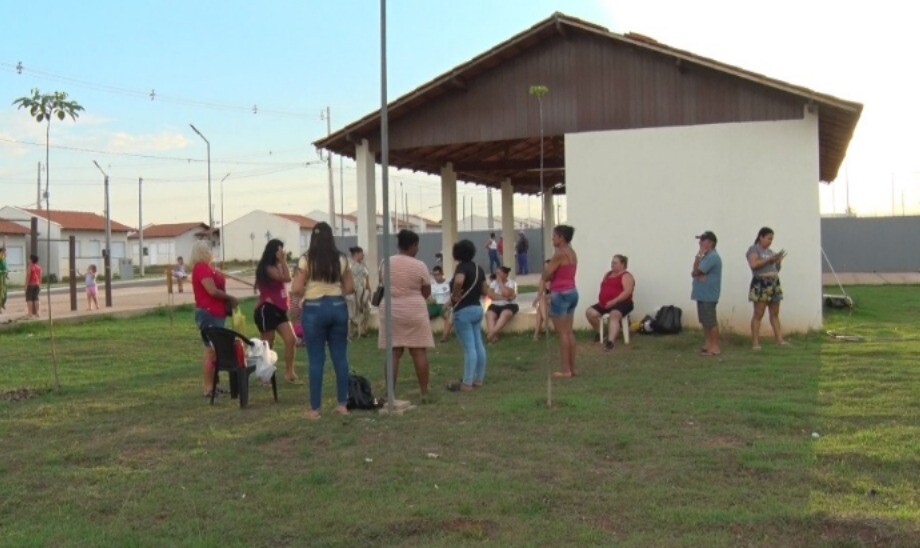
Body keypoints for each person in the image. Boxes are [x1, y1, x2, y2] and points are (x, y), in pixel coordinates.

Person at [290, 222, 354, 420]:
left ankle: (315, 409)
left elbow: (296, 288)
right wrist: (335, 293)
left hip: (314, 310)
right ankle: (342, 404)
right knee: (340, 358)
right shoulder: (342, 259)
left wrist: (308, 293)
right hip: (337, 307)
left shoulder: (306, 259)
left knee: (316, 360)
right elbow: (350, 287)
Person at [378, 230, 434, 399]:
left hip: (390, 310)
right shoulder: (420, 265)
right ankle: (424, 392)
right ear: (413, 245)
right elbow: (426, 290)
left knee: (393, 353)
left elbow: (383, 284)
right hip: (414, 309)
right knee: (419, 351)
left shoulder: (385, 263)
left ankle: (390, 393)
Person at [190, 241, 238, 397]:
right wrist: (229, 297)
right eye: (209, 249)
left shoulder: (209, 268)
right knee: (211, 351)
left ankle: (213, 385)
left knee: (216, 351)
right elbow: (211, 291)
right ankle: (208, 388)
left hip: (216, 313)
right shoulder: (201, 268)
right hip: (208, 312)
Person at [253, 239, 299, 383]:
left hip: (280, 309)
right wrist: (283, 261)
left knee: (291, 339)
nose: (282, 252)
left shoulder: (277, 265)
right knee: (268, 343)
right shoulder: (267, 267)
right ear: (274, 251)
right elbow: (286, 278)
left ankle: (289, 372)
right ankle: (264, 376)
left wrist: (282, 262)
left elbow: (287, 277)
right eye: (280, 250)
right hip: (267, 309)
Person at [447, 239, 488, 392]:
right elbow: (485, 290)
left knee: (469, 348)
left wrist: (455, 295)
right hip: (477, 308)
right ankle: (479, 379)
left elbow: (459, 281)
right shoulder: (479, 269)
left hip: (463, 311)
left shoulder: (461, 268)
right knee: (479, 345)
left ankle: (467, 382)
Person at [543, 225, 578, 378]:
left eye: (554, 236)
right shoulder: (572, 252)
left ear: (561, 238)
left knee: (562, 333)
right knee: (569, 332)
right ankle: (572, 367)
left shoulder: (559, 254)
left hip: (560, 293)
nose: (552, 239)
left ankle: (565, 369)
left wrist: (548, 274)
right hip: (572, 291)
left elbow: (547, 274)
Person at [747, 226, 789, 349]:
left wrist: (778, 261)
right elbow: (754, 264)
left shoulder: (770, 252)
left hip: (774, 282)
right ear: (761, 237)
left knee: (775, 313)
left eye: (772, 239)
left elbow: (776, 269)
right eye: (769, 238)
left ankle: (779, 340)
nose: (770, 241)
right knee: (758, 313)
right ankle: (755, 342)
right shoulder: (753, 249)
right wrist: (769, 260)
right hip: (761, 282)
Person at [585, 254, 635, 351]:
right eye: (612, 262)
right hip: (605, 303)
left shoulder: (626, 276)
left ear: (622, 264)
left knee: (614, 315)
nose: (612, 264)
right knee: (590, 312)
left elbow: (627, 292)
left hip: (623, 303)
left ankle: (610, 342)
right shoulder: (608, 274)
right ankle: (602, 333)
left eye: (615, 263)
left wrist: (614, 301)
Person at [692, 231, 723, 356]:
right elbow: (694, 272)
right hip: (702, 294)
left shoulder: (712, 257)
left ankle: (715, 347)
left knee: (711, 321)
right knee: (705, 321)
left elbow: (697, 271)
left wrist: (699, 255)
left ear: (710, 242)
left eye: (702, 240)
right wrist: (699, 257)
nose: (700, 243)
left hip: (709, 294)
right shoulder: (706, 256)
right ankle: (708, 344)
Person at [485, 266, 518, 343]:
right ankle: (494, 337)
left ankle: (491, 334)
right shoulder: (493, 283)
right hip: (495, 305)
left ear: (505, 274)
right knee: (489, 314)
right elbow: (490, 295)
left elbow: (506, 293)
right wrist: (504, 298)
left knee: (505, 314)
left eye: (499, 273)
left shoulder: (512, 283)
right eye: (496, 273)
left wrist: (500, 282)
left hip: (509, 305)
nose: (497, 275)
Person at [347, 246, 371, 339]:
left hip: (362, 290)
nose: (363, 255)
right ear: (356, 254)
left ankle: (363, 329)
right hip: (351, 291)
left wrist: (369, 289)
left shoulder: (363, 265)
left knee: (367, 309)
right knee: (352, 312)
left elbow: (366, 276)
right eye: (361, 253)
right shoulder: (348, 264)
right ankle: (351, 333)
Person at [428, 265, 454, 342]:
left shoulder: (448, 283)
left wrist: (448, 303)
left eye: (438, 274)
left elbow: (453, 295)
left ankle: (444, 337)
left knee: (449, 317)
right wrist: (430, 298)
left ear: (442, 274)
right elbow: (427, 294)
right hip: (434, 305)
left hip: (444, 305)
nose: (436, 277)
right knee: (422, 315)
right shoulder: (431, 284)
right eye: (434, 275)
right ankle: (425, 336)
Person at [532, 261, 552, 341]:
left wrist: (539, 299)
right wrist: (538, 299)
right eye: (545, 267)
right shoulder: (543, 278)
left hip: (556, 300)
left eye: (548, 267)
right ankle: (544, 328)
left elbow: (556, 294)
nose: (546, 269)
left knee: (541, 303)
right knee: (540, 307)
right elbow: (540, 293)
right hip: (547, 302)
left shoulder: (556, 278)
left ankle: (536, 334)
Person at [0, 246, 8, 313]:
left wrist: (7, 275)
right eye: (5, 252)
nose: (6, 253)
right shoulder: (1, 258)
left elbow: (6, 269)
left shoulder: (4, 260)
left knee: (5, 293)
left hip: (4, 277)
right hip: (0, 277)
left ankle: (2, 303)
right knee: (1, 292)